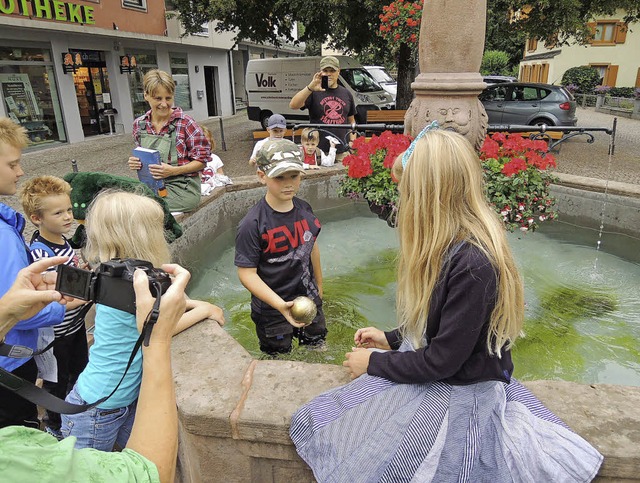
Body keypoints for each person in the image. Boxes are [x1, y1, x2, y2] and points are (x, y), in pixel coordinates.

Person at [289, 127, 603, 481]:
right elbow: (442, 327)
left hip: (464, 389)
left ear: (429, 196)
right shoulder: (449, 246)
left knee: (357, 443)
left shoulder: (473, 263)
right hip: (451, 372)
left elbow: (444, 360)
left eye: (406, 191)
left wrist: (376, 363)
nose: (400, 200)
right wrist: (391, 339)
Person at [0, 256, 193, 483]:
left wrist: (5, 314)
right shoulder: (18, 466)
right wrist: (158, 340)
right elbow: (150, 474)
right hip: (93, 411)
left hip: (108, 402)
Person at [61, 190, 225, 451]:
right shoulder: (132, 285)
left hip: (114, 400)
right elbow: (159, 328)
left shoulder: (115, 277)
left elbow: (157, 310)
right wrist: (204, 311)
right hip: (97, 409)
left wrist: (192, 303)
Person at [0, 117, 66, 429]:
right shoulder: (2, 236)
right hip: (9, 363)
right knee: (18, 431)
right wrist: (61, 304)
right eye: (12, 164)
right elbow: (20, 307)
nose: (20, 171)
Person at [235, 139, 327, 355]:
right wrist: (279, 305)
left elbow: (312, 247)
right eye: (279, 177)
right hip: (271, 310)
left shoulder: (305, 209)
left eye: (294, 176)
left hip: (308, 298)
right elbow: (246, 273)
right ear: (262, 176)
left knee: (318, 347)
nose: (288, 183)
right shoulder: (252, 224)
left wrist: (320, 288)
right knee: (278, 356)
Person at [19, 175, 89, 439]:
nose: (68, 217)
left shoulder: (64, 242)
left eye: (69, 209)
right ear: (36, 218)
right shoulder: (39, 254)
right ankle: (54, 424)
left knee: (80, 369)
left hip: (76, 327)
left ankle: (75, 414)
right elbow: (46, 300)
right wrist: (86, 297)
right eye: (58, 213)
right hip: (54, 335)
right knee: (55, 382)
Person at [128, 69, 210, 214]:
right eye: (158, 98)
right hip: (152, 186)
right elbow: (146, 158)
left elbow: (202, 161)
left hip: (182, 189)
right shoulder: (139, 125)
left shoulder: (185, 123)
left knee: (141, 209)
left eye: (168, 98)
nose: (164, 104)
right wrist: (137, 163)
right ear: (146, 95)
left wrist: (174, 171)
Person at [289, 55, 357, 162]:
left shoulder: (346, 93)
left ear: (338, 71)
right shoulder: (314, 91)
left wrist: (353, 142)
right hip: (317, 151)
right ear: (321, 72)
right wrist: (310, 87)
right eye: (325, 70)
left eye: (332, 70)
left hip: (341, 151)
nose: (329, 74)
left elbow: (351, 121)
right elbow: (293, 105)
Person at [200, 125, 232, 194]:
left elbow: (220, 175)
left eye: (208, 141)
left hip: (213, 190)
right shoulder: (191, 160)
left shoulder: (215, 158)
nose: (205, 145)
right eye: (202, 142)